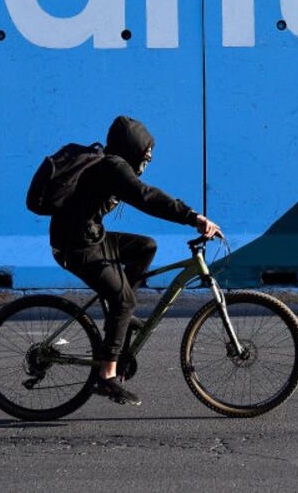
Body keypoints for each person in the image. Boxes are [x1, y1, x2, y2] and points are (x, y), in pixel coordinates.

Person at [50, 115, 221, 406]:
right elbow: (147, 197)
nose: (146, 163)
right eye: (145, 156)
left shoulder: (112, 163)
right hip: (76, 246)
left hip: (89, 236)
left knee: (145, 247)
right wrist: (194, 218)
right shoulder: (113, 166)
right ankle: (106, 377)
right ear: (131, 149)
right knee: (124, 301)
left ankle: (121, 317)